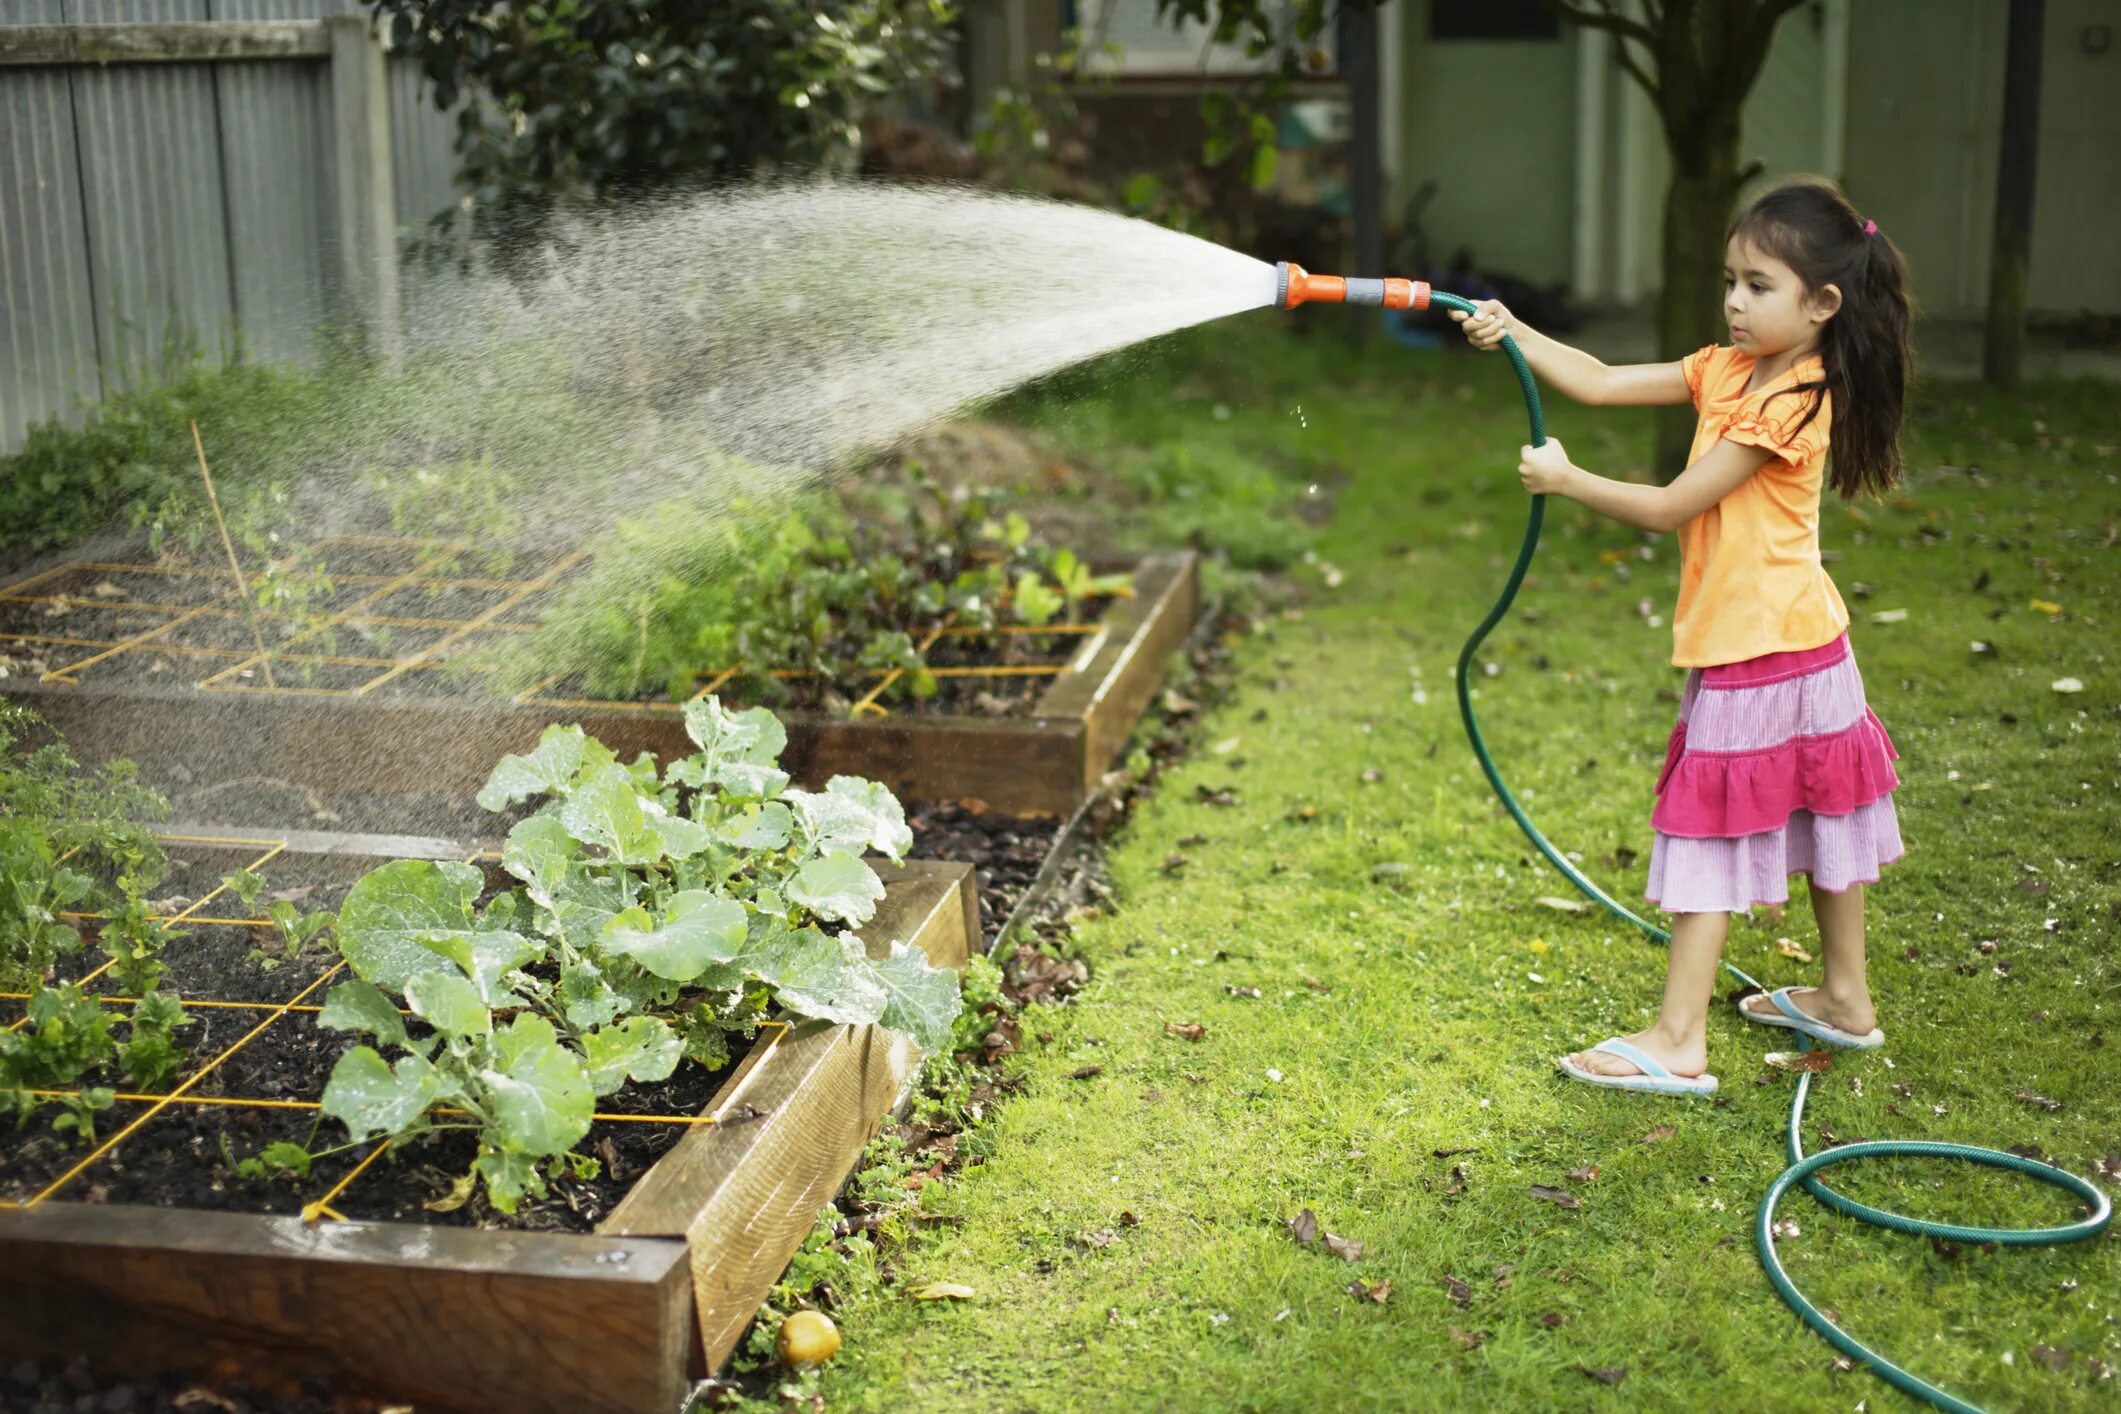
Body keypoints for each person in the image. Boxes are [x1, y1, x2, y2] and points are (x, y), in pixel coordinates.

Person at [1451, 177, 1913, 1096]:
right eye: (1730, 281)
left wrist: (1568, 480)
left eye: (1758, 287)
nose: (1736, 303)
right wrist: (1514, 330)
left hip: (1761, 653)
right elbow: (1599, 379)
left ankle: (1676, 1038)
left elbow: (1669, 507)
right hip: (1796, 643)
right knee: (1825, 815)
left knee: (1711, 831)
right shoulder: (1731, 370)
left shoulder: (1793, 404)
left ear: (1822, 305)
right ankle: (1844, 999)